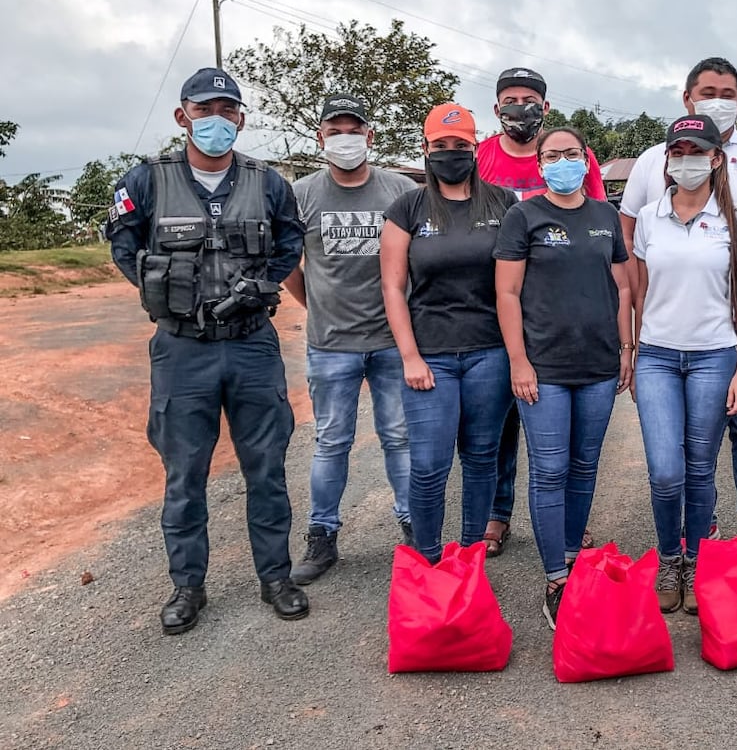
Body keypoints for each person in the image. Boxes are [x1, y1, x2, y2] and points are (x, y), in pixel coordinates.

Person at [105, 66, 308, 634]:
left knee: (266, 468)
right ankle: (187, 586)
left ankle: (276, 577)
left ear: (240, 119)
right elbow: (123, 246)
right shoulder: (146, 181)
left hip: (251, 345)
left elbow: (290, 241)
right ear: (183, 116)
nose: (216, 120)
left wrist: (261, 287)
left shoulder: (268, 182)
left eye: (227, 111)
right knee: (184, 473)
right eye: (204, 110)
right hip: (182, 348)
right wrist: (166, 295)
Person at [620, 57, 737, 539]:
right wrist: (637, 330)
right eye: (708, 92)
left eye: (728, 94)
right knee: (679, 450)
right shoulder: (650, 166)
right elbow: (629, 249)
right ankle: (696, 534)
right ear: (688, 98)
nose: (718, 102)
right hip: (666, 340)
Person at [493, 126, 633, 628]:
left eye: (571, 154)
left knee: (584, 465)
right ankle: (555, 578)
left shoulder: (605, 216)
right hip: (544, 368)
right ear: (539, 164)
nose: (562, 162)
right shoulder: (523, 216)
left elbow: (622, 287)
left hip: (598, 364)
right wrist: (518, 360)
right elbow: (507, 293)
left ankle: (574, 556)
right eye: (552, 155)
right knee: (550, 470)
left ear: (586, 160)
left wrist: (627, 347)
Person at [282, 94, 418, 585]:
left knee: (399, 437)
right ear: (320, 137)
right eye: (335, 131)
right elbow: (289, 266)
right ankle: (322, 535)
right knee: (331, 441)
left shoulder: (400, 190)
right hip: (331, 343)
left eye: (353, 130)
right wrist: (318, 306)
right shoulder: (300, 195)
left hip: (392, 341)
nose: (345, 139)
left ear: (369, 136)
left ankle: (415, 528)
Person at [476, 67, 608, 557]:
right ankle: (497, 512)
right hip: (495, 302)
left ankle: (569, 524)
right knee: (500, 423)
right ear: (496, 109)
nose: (520, 107)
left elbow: (595, 225)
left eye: (529, 99)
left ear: (545, 107)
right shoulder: (482, 156)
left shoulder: (572, 158)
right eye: (510, 99)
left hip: (559, 311)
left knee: (562, 437)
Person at [631, 114, 737, 615]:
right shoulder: (648, 218)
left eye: (696, 152)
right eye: (678, 152)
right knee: (666, 471)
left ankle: (696, 559)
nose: (687, 161)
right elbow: (640, 293)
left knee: (700, 468)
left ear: (716, 158)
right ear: (667, 160)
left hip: (714, 356)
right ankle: (669, 557)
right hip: (657, 357)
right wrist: (633, 351)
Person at [380, 103, 516, 564]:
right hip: (430, 356)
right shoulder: (408, 207)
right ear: (426, 147)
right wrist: (409, 357)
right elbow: (393, 287)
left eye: (460, 144)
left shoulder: (502, 203)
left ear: (475, 148)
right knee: (429, 465)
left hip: (490, 353)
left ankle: (470, 558)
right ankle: (429, 560)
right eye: (441, 144)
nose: (451, 152)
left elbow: (517, 281)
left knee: (481, 458)